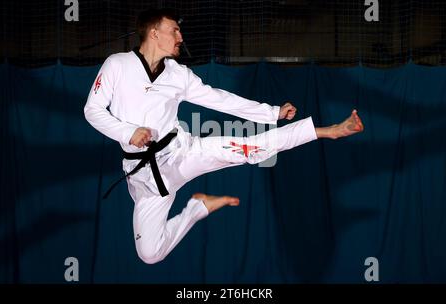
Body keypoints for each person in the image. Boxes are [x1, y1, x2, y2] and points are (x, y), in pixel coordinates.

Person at [84, 8, 364, 264]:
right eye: (174, 31)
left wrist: (272, 112)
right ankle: (198, 207)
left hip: (180, 154)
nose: (180, 36)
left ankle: (326, 131)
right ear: (154, 33)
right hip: (143, 176)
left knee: (249, 149)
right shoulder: (117, 65)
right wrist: (128, 132)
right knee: (149, 254)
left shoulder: (178, 75)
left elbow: (221, 99)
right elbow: (93, 110)